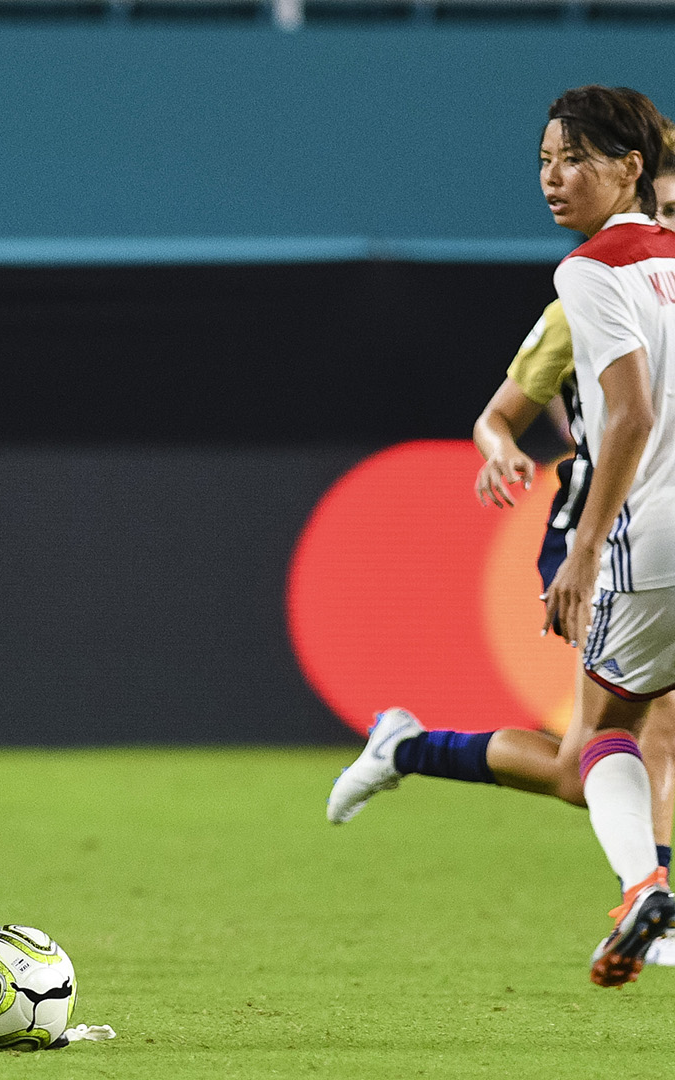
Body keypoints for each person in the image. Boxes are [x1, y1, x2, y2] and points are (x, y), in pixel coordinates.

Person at [338, 86, 675, 988]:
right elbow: (507, 414)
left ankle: (644, 885)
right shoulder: (597, 288)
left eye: (572, 159)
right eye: (543, 162)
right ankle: (648, 888)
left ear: (631, 170)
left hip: (641, 541)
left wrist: (591, 544)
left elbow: (635, 412)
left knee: (602, 743)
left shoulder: (591, 273)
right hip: (624, 527)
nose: (553, 179)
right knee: (638, 736)